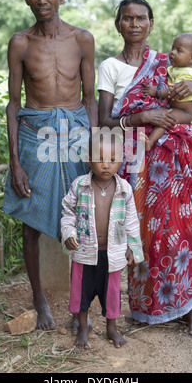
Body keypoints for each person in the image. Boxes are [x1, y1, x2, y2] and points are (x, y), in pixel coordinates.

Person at [98, 0, 192, 335]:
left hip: (174, 163)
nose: (134, 24)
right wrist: (141, 116)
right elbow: (103, 120)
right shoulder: (110, 68)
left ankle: (188, 307)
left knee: (183, 229)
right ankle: (147, 309)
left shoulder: (168, 62)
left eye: (141, 18)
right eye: (127, 18)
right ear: (119, 24)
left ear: (151, 23)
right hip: (133, 160)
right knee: (142, 234)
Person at [2, 0, 98, 331]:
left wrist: (93, 149)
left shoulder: (82, 39)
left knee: (85, 217)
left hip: (75, 133)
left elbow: (90, 99)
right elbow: (13, 103)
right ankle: (39, 299)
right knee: (30, 221)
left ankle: (81, 307)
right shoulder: (20, 43)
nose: (43, 0)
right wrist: (15, 163)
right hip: (36, 134)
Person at [61, 131, 144, 348]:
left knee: (112, 294)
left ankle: (111, 328)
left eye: (112, 160)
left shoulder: (124, 189)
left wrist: (131, 247)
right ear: (89, 160)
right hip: (84, 252)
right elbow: (67, 211)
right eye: (99, 159)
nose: (106, 165)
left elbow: (132, 220)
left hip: (113, 253)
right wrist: (69, 234)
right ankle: (82, 328)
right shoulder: (80, 185)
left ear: (120, 161)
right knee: (81, 292)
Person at [142, 32, 192, 150]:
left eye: (179, 51)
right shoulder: (183, 67)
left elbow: (173, 92)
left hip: (183, 112)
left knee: (164, 120)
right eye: (173, 48)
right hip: (180, 109)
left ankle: (150, 142)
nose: (172, 52)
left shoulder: (186, 73)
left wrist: (156, 92)